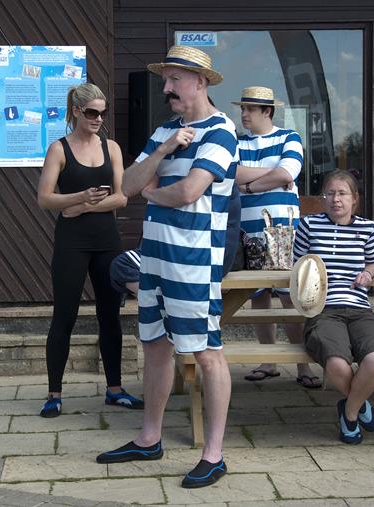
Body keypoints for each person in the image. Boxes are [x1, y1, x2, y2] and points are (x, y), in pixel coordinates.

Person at [96, 45, 237, 489]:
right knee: (156, 344)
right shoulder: (166, 131)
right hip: (155, 253)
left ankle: (213, 455)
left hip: (194, 257)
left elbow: (187, 193)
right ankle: (149, 438)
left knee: (206, 353)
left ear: (200, 82)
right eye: (166, 80)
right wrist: (164, 153)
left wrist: (153, 191)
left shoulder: (221, 132)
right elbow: (127, 183)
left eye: (175, 79)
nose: (167, 88)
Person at [36, 83, 142, 418]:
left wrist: (83, 208)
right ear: (77, 111)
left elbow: (122, 196)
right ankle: (54, 393)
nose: (99, 118)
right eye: (92, 112)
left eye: (103, 112)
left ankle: (114, 389)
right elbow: (45, 199)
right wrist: (79, 198)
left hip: (106, 239)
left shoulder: (110, 147)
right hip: (72, 241)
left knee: (110, 315)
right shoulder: (59, 149)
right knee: (64, 315)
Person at [293, 169, 374, 444]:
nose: (335, 199)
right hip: (323, 309)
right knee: (337, 364)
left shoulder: (369, 229)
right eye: (329, 193)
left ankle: (349, 411)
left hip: (359, 307)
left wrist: (369, 273)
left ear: (354, 199)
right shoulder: (308, 225)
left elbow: (372, 262)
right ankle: (360, 403)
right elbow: (299, 265)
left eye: (342, 194)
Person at [232, 86, 320, 388]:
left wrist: (249, 185)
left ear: (267, 111)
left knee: (289, 297)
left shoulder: (289, 138)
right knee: (256, 296)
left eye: (250, 109)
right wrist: (265, 174)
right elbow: (230, 172)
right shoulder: (235, 142)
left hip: (283, 230)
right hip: (247, 231)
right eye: (242, 108)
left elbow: (287, 173)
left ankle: (302, 365)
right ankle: (268, 361)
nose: (243, 114)